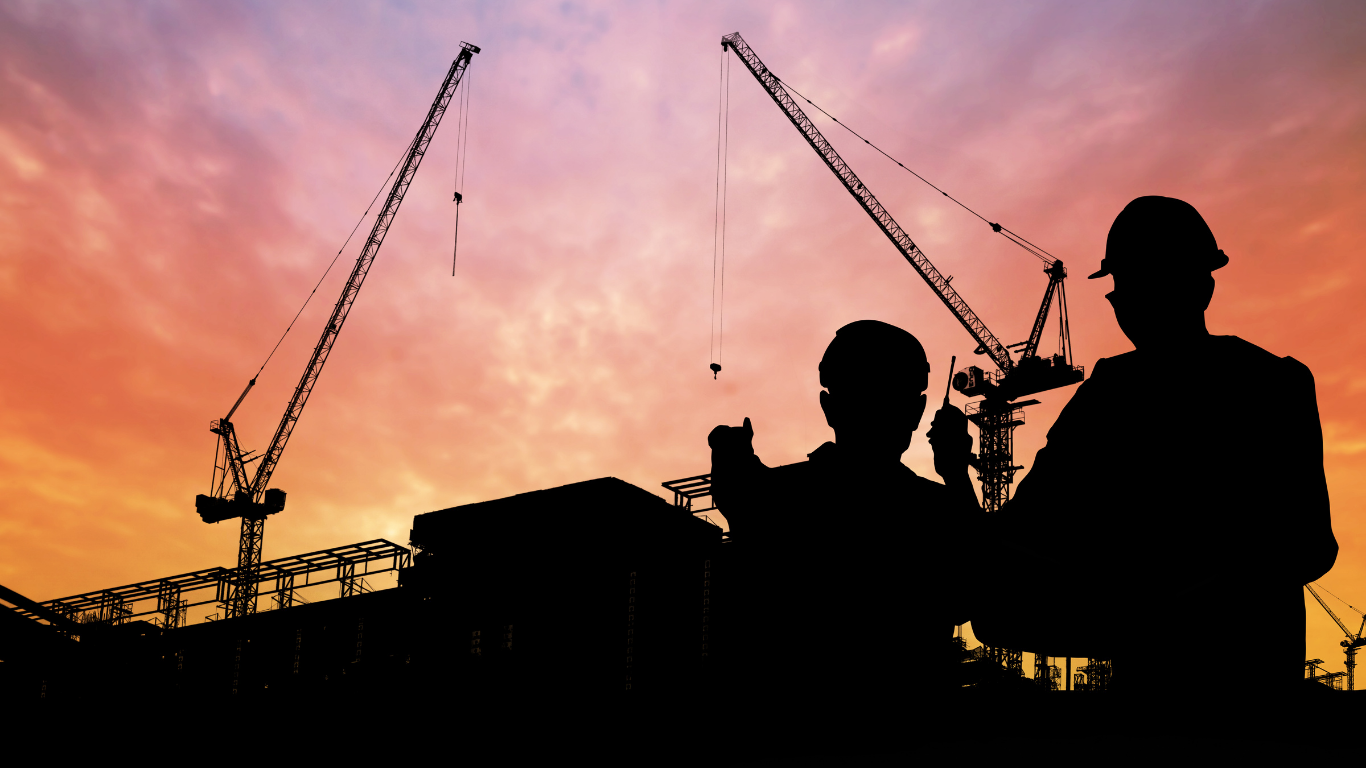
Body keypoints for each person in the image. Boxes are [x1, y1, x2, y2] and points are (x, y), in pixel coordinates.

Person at [934, 196, 1338, 695]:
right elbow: (1015, 544)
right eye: (1123, 288)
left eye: (1134, 285)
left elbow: (1307, 545)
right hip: (1242, 684)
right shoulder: (1272, 382)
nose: (1125, 303)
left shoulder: (1115, 396)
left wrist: (1164, 610)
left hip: (1185, 686)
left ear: (1200, 287)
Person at [709, 320, 976, 709]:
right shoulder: (936, 509)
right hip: (910, 718)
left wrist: (734, 462)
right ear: (917, 413)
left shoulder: (782, 497)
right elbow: (973, 594)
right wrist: (956, 474)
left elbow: (742, 500)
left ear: (829, 407)